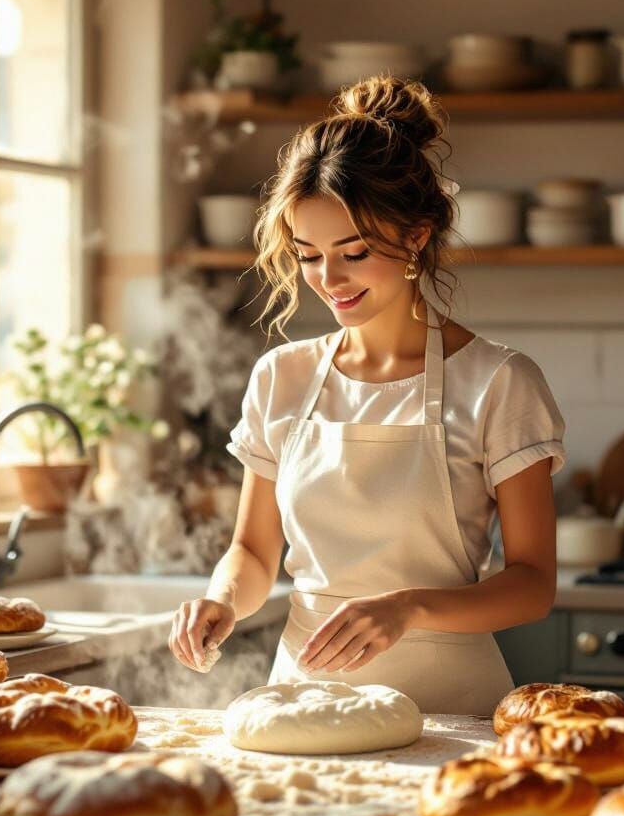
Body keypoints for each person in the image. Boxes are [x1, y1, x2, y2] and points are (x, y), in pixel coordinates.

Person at [169, 75, 566, 716]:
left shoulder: (498, 382)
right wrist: (220, 599)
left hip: (450, 708)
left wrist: (410, 607)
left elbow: (532, 585)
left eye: (353, 252)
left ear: (416, 236)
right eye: (308, 255)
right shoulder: (281, 377)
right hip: (303, 703)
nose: (329, 280)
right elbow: (252, 552)